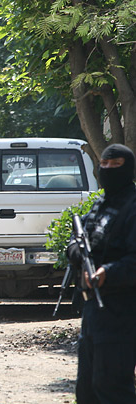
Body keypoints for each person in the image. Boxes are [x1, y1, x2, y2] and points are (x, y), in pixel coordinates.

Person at [66, 144, 136, 403]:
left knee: (112, 387)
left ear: (127, 169)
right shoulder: (100, 204)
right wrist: (76, 254)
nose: (107, 169)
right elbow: (77, 241)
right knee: (87, 389)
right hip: (93, 311)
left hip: (122, 311)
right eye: (103, 164)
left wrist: (108, 271)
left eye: (114, 165)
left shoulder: (132, 206)